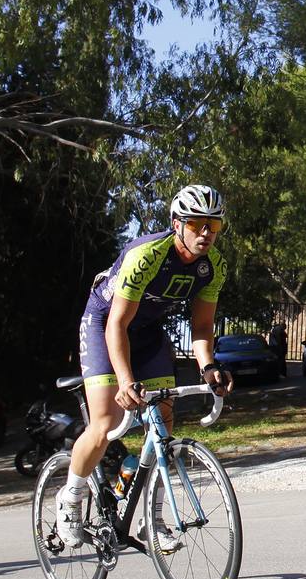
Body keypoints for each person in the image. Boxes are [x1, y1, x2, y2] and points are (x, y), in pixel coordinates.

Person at [56, 184, 235, 552]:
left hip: (148, 332)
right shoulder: (148, 254)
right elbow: (116, 325)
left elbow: (201, 327)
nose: (206, 233)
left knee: (163, 422)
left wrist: (209, 367)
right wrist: (125, 381)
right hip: (106, 322)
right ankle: (70, 498)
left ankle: (152, 520)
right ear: (176, 223)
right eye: (197, 223)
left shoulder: (212, 267)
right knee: (105, 422)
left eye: (214, 226)